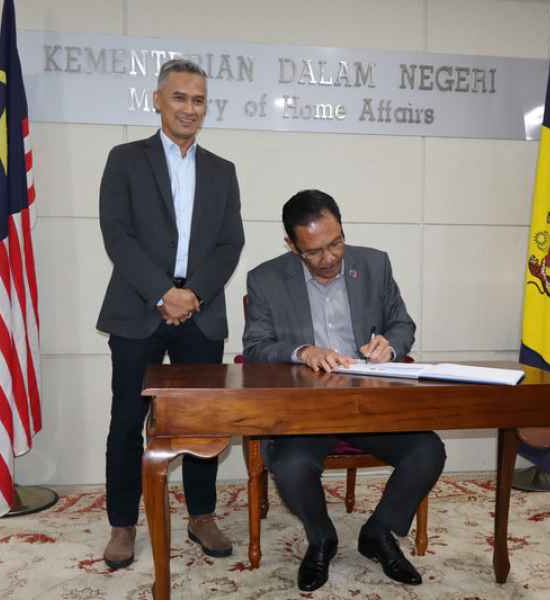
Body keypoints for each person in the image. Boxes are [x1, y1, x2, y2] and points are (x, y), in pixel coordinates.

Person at [243, 189, 446, 592]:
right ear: (292, 246)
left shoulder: (374, 264)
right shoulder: (265, 279)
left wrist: (390, 345)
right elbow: (255, 347)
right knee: (291, 465)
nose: (330, 257)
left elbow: (402, 324)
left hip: (368, 402)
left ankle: (379, 532)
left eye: (336, 243)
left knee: (428, 451)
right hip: (306, 410)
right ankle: (321, 537)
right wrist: (302, 352)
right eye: (314, 251)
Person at [97, 58, 244, 569]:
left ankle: (201, 515)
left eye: (198, 100)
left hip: (201, 313)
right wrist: (163, 293)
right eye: (179, 97)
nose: (189, 108)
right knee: (126, 421)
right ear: (157, 100)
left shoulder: (223, 171)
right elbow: (117, 234)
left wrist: (192, 293)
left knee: (202, 421)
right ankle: (122, 523)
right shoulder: (125, 159)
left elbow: (230, 243)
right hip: (138, 308)